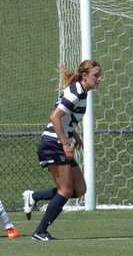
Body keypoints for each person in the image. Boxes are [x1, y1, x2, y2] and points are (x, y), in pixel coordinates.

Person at [30, 60, 103, 240]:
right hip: (53, 144)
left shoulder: (81, 92)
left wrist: (74, 135)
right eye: (96, 75)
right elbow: (55, 117)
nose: (99, 79)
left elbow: (65, 118)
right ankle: (40, 232)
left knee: (79, 189)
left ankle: (34, 197)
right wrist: (65, 143)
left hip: (57, 142)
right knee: (65, 190)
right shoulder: (76, 93)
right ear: (84, 76)